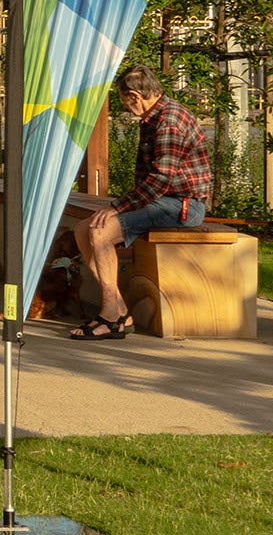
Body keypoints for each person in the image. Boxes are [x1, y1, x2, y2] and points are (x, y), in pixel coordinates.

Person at [69, 65, 209, 339]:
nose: (124, 107)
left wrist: (116, 208)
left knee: (99, 231)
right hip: (163, 200)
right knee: (82, 230)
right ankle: (118, 309)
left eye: (123, 100)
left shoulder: (169, 121)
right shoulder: (154, 117)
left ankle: (109, 314)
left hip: (182, 206)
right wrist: (120, 208)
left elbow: (161, 180)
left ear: (134, 95)